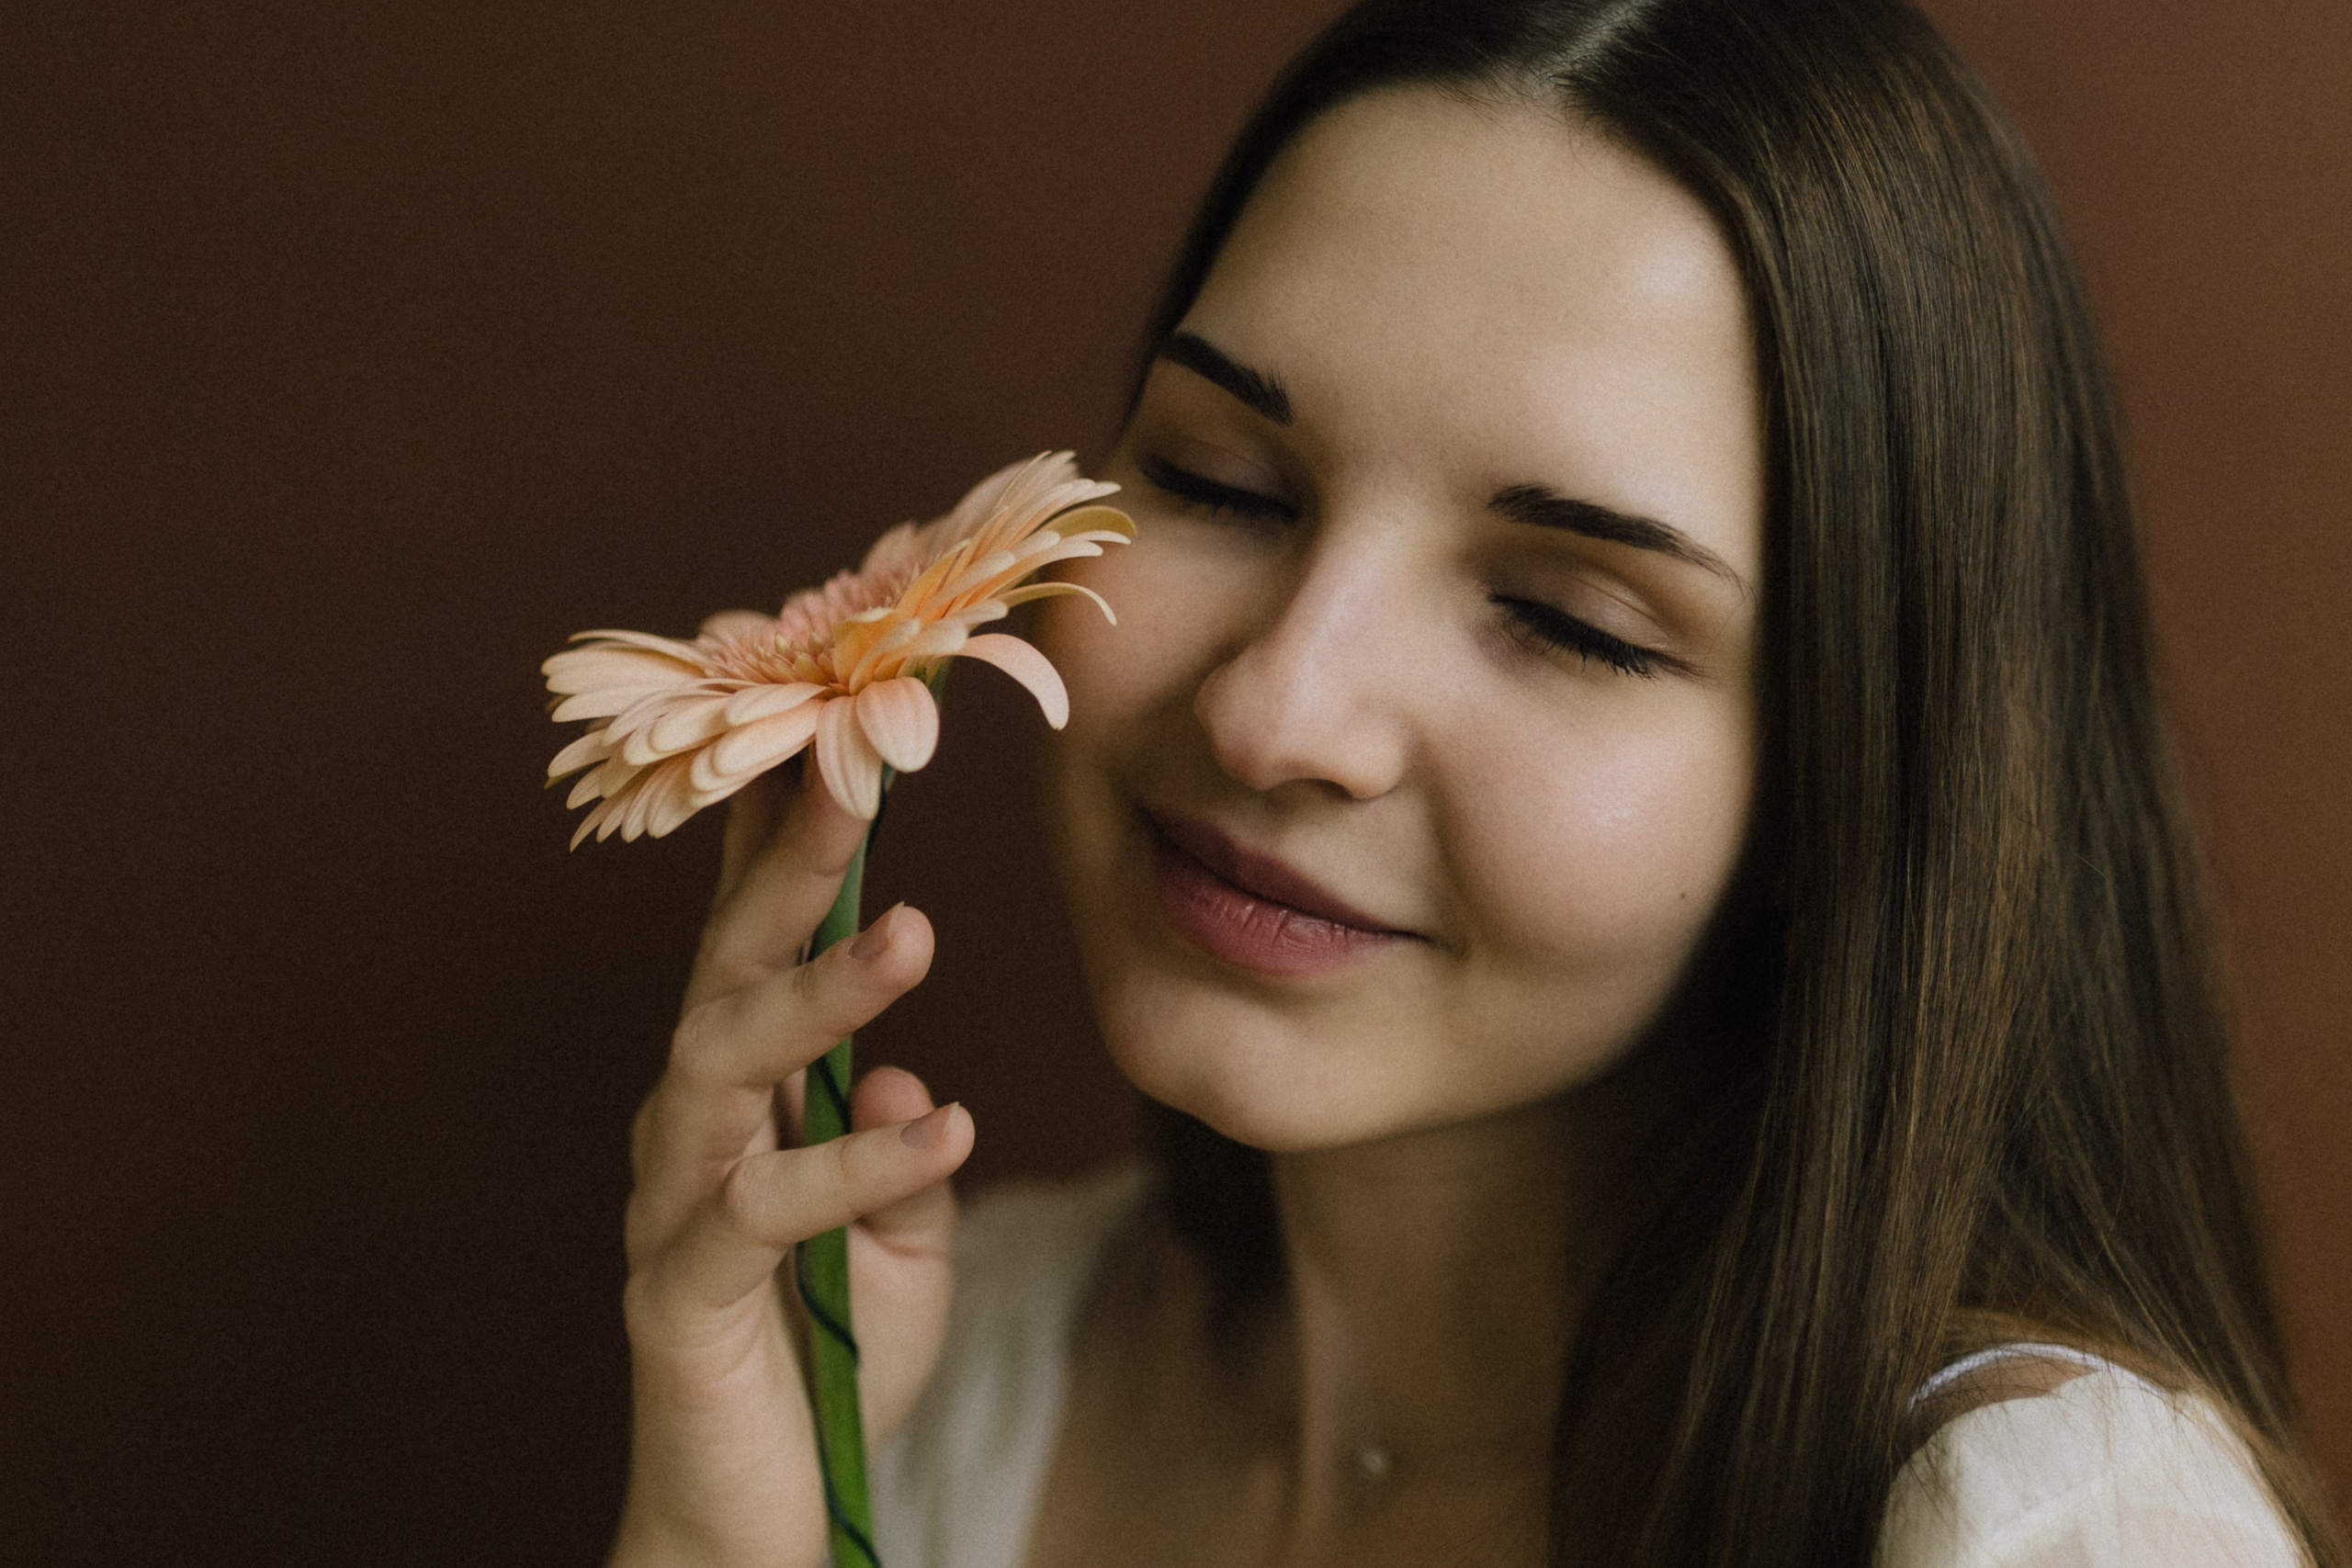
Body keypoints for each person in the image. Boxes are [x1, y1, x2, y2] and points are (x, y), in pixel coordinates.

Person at [603, 1, 2344, 1563]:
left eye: (1566, 617)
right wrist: (716, 1532)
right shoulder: (944, 1365)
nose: (1279, 710)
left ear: (1847, 785)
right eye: (1223, 481)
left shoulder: (2048, 1530)